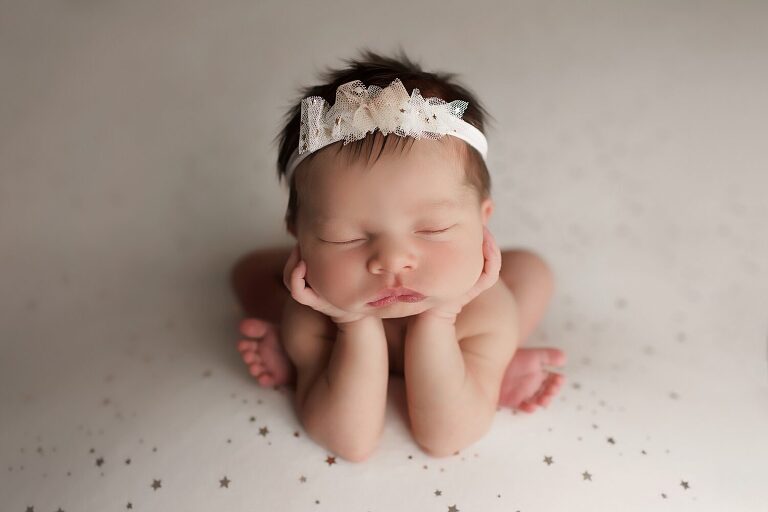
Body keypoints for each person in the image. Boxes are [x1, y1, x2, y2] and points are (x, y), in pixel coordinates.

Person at [230, 49, 566, 462]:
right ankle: (307, 366)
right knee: (250, 270)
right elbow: (350, 442)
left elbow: (444, 438)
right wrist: (351, 323)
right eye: (345, 237)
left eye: (433, 229)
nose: (392, 260)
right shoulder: (313, 317)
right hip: (340, 313)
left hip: (463, 324)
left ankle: (489, 371)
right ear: (299, 236)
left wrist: (442, 316)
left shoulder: (485, 311)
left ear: (483, 220)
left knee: (531, 271)